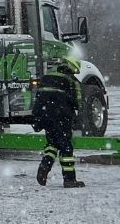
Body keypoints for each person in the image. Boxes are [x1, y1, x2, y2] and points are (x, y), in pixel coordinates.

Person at [34, 56, 86, 188]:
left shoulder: (46, 77)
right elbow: (78, 103)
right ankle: (69, 179)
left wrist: (37, 119)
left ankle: (45, 165)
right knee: (66, 147)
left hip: (44, 115)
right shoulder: (72, 81)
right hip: (61, 116)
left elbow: (38, 97)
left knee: (52, 143)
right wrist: (78, 119)